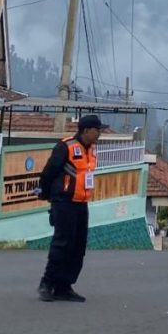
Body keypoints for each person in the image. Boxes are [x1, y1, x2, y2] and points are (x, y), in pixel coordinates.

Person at [36, 114, 107, 302]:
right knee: (62, 244)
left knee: (77, 247)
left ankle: (64, 286)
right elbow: (48, 172)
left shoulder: (91, 150)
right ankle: (47, 283)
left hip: (81, 203)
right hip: (64, 202)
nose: (99, 133)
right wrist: (47, 194)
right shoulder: (65, 146)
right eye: (97, 130)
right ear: (86, 130)